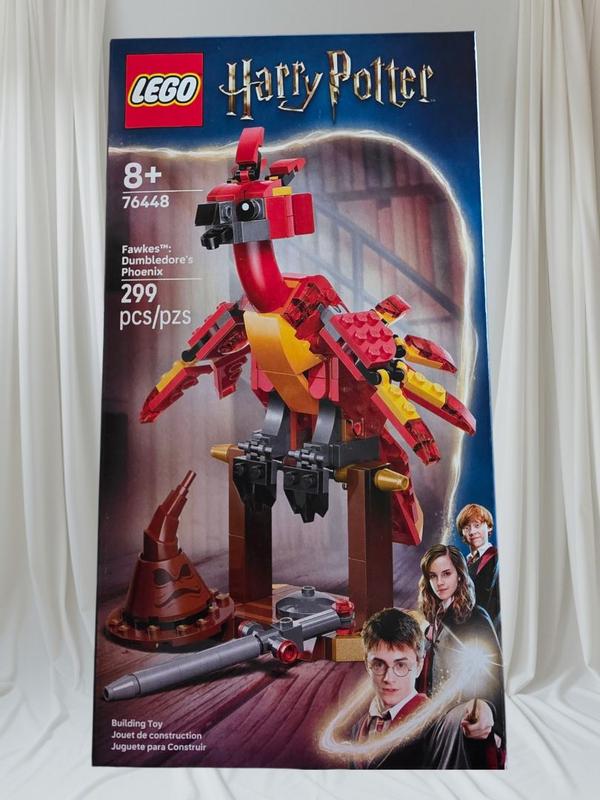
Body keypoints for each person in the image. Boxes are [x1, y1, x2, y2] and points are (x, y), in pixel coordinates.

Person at [351, 607, 503, 768]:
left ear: (419, 665)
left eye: (401, 665)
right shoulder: (358, 728)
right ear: (367, 664)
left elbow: (454, 723)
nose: (388, 678)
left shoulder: (433, 722)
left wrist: (482, 708)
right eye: (379, 665)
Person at [417, 543, 505, 767]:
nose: (440, 582)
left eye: (446, 574)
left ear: (459, 575)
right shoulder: (434, 618)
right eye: (433, 576)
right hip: (436, 721)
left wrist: (495, 723)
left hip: (468, 723)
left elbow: (495, 673)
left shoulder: (476, 617)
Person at [456, 503, 501, 635]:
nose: (472, 532)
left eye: (477, 525)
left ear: (489, 527)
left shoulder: (498, 559)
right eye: (466, 528)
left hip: (488, 632)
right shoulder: (461, 565)